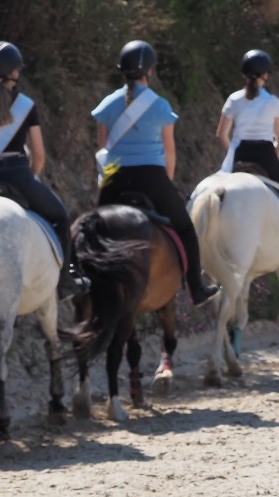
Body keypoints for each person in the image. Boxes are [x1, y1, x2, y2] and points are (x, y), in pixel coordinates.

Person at [91, 40, 219, 306]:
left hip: (115, 177)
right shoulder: (160, 105)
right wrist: (166, 183)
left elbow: (102, 148)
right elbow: (169, 152)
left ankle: (77, 278)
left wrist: (108, 179)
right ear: (149, 71)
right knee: (185, 228)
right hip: (152, 177)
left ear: (122, 71)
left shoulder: (107, 104)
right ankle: (196, 288)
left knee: (91, 228)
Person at [0, 41, 88, 297]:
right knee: (61, 217)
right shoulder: (26, 106)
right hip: (19, 175)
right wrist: (31, 179)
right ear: (14, 72)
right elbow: (39, 155)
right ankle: (65, 282)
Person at [215, 48, 279, 261]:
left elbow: (221, 135)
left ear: (244, 74)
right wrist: (274, 159)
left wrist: (232, 154)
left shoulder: (233, 99)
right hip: (265, 157)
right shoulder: (273, 103)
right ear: (266, 75)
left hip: (239, 156)